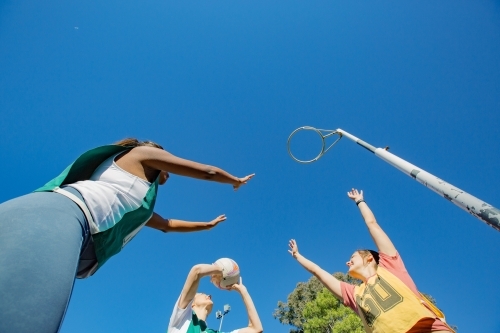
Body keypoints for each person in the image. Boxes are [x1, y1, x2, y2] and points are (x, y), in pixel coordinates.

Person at [0, 138, 254, 333]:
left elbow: (167, 225)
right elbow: (206, 171)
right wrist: (235, 180)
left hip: (73, 237)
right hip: (60, 215)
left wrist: (206, 226)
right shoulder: (142, 155)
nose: (169, 171)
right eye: (166, 163)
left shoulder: (137, 207)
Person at [288, 188, 454, 333]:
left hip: (428, 327)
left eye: (352, 257)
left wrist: (360, 201)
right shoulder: (353, 294)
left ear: (369, 258)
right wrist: (297, 256)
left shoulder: (390, 266)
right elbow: (318, 271)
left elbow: (372, 224)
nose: (347, 262)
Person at [167, 263, 263, 333]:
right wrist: (220, 269)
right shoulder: (180, 318)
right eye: (202, 293)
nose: (209, 295)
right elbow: (197, 271)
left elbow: (256, 329)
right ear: (192, 303)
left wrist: (243, 292)